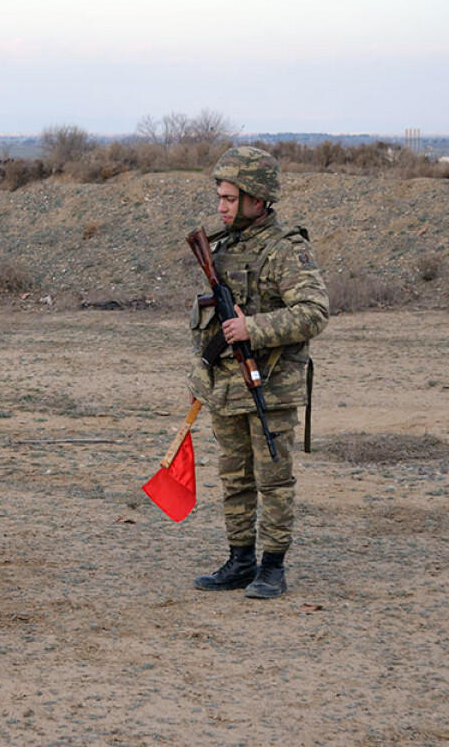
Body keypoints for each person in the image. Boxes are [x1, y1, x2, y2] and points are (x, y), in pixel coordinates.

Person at [188, 146, 329, 599]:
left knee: (274, 479)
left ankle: (272, 567)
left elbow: (313, 312)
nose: (221, 206)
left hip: (270, 386)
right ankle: (239, 559)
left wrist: (254, 327)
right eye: (220, 197)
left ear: (257, 198)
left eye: (230, 198)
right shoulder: (223, 245)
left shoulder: (286, 249)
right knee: (234, 477)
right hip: (226, 386)